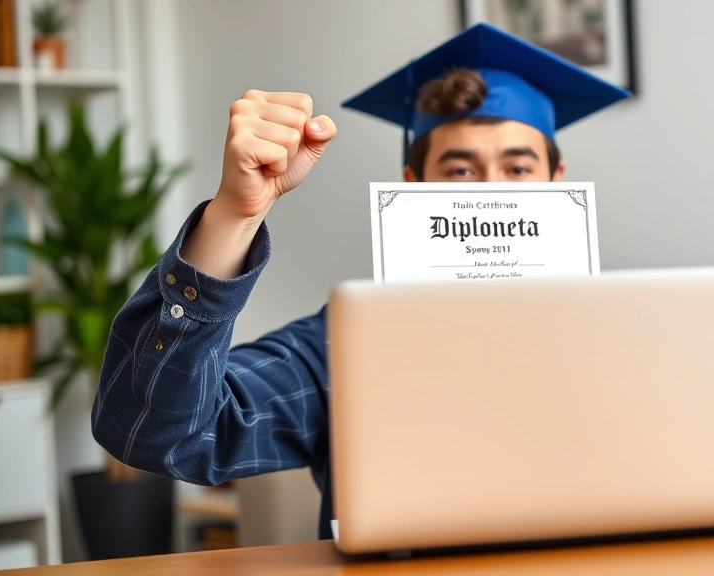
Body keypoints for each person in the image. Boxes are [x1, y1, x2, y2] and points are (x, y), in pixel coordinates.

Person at [92, 24, 629, 540]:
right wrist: (235, 215)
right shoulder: (341, 349)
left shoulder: (628, 340)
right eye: (461, 171)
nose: (492, 195)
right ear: (414, 188)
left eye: (518, 170)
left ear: (558, 184)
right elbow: (157, 434)